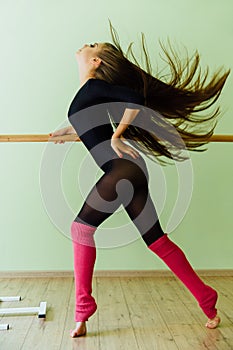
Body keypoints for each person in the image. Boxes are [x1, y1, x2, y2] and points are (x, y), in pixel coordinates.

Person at [51, 26, 230, 337]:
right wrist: (64, 132)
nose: (85, 45)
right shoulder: (89, 94)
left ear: (95, 61)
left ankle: (83, 309)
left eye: (92, 44)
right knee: (157, 241)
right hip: (129, 170)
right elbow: (85, 122)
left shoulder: (93, 88)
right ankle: (207, 298)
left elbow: (135, 98)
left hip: (121, 170)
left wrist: (118, 135)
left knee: (81, 228)